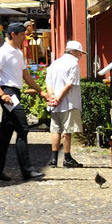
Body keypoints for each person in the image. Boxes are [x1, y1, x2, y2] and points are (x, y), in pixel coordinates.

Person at [0, 21, 49, 182]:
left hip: (15, 93)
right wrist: (2, 95)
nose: (24, 37)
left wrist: (41, 91)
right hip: (8, 93)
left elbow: (25, 75)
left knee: (6, 132)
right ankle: (27, 170)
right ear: (13, 34)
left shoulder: (18, 52)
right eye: (22, 35)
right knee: (22, 128)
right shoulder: (2, 52)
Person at [44, 40, 86, 168]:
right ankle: (67, 158)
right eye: (79, 52)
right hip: (69, 103)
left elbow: (48, 82)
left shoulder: (55, 63)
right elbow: (69, 84)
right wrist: (59, 98)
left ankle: (53, 159)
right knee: (67, 131)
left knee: (55, 130)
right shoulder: (73, 64)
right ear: (73, 52)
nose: (80, 55)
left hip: (54, 104)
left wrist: (52, 97)